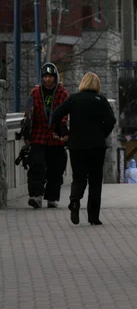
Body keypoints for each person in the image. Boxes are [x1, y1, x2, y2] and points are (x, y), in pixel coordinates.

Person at [52, 72, 116, 225]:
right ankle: (93, 217)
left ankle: (74, 201)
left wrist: (63, 131)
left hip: (77, 146)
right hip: (96, 147)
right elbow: (111, 120)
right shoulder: (101, 100)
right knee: (95, 181)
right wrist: (102, 134)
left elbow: (56, 114)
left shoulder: (73, 99)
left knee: (79, 177)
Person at [22, 62, 69, 209]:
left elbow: (65, 113)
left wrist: (62, 128)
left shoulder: (62, 93)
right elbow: (28, 114)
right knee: (37, 164)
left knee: (56, 168)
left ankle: (52, 197)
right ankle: (36, 195)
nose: (48, 80)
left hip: (56, 137)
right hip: (38, 135)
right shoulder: (35, 93)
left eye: (50, 77)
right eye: (45, 76)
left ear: (55, 77)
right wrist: (26, 132)